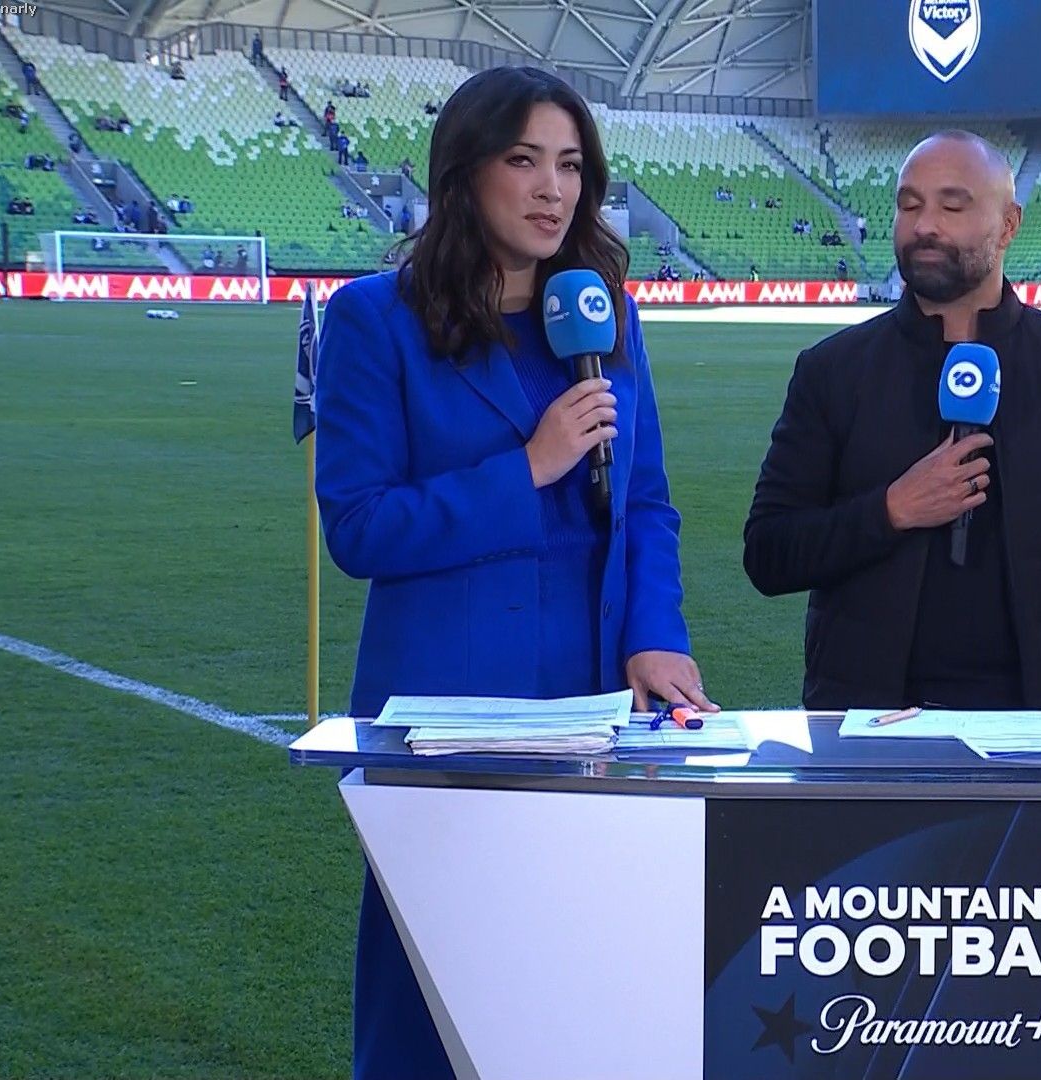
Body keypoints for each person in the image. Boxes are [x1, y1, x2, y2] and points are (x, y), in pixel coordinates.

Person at [313, 66, 715, 1080]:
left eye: (571, 165)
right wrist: (527, 468)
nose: (553, 189)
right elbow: (359, 527)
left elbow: (647, 501)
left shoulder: (605, 315)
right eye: (525, 160)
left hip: (597, 701)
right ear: (465, 172)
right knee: (428, 1001)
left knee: (574, 989)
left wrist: (655, 634)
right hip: (445, 715)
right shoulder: (374, 318)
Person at [743, 130, 1041, 712]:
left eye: (952, 207)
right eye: (909, 205)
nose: (924, 225)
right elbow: (768, 553)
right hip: (868, 726)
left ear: (1008, 225)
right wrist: (891, 510)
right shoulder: (832, 371)